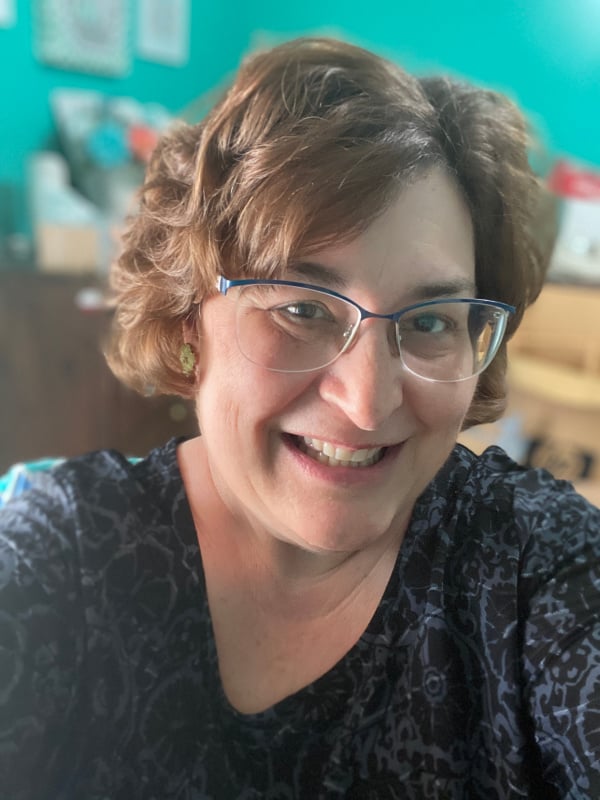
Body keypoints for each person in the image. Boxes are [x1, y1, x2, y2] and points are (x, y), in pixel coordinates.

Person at [1, 36, 599, 800]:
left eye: (430, 321)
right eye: (302, 309)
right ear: (190, 323)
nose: (367, 400)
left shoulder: (533, 571)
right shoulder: (62, 559)